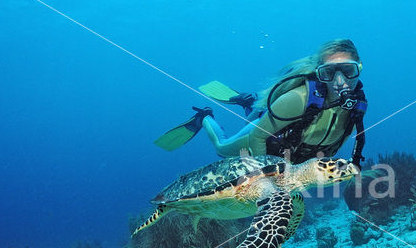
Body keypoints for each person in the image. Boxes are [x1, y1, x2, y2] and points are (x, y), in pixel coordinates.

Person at [155, 39, 367, 168]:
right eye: (329, 72)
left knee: (265, 116)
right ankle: (205, 118)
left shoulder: (356, 107)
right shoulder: (298, 99)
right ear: (319, 74)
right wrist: (265, 180)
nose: (341, 82)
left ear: (359, 68)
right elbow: (258, 136)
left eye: (348, 71)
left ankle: (249, 103)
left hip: (281, 132)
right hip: (261, 136)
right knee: (221, 148)